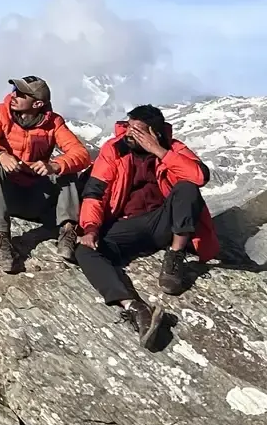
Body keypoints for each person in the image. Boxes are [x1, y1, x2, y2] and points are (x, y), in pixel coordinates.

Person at [73, 104, 219, 350]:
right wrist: (90, 228)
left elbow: (199, 177)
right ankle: (134, 307)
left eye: (137, 130)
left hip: (162, 222)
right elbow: (95, 192)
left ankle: (175, 257)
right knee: (85, 251)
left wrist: (160, 151)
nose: (129, 134)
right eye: (128, 127)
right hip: (126, 226)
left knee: (186, 188)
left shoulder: (173, 149)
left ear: (154, 132)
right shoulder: (115, 149)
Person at [0, 76, 92, 272]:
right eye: (15, 90)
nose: (14, 96)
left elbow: (81, 154)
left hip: (38, 195)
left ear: (37, 103)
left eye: (21, 94)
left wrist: (55, 165)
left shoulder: (54, 122)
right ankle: (2, 238)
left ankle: (67, 231)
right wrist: (1, 154)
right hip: (8, 194)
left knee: (66, 169)